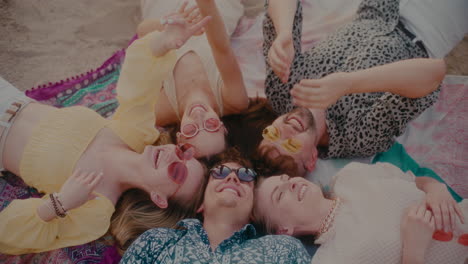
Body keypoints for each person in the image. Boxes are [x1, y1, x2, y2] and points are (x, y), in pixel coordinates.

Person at [0, 13, 211, 255]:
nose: (173, 155)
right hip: (10, 97)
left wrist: (60, 203)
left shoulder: (96, 209)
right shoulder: (135, 134)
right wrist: (165, 42)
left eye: (178, 171)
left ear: (159, 198)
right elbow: (140, 81)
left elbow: (7, 235)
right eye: (183, 152)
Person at [257, 0, 447, 176]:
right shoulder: (357, 137)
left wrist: (283, 33)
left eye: (272, 133)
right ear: (312, 158)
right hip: (426, 30)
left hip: (375, 9)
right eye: (291, 145)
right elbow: (434, 73)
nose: (286, 130)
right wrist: (347, 83)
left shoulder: (281, 92)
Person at [121, 148, 311, 263]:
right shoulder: (157, 241)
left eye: (246, 176)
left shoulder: (282, 249)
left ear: (253, 210)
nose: (232, 177)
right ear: (201, 204)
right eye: (219, 172)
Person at [252, 162, 468, 264]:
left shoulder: (352, 175)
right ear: (284, 230)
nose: (291, 184)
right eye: (279, 196)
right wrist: (414, 251)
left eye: (286, 179)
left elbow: (417, 181)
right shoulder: (332, 260)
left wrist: (436, 189)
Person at [136, 0, 250, 158]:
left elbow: (142, 31)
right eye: (211, 125)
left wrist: (168, 26)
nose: (199, 117)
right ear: (223, 128)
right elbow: (221, 47)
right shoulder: (233, 99)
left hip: (162, 10)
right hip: (217, 8)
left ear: (179, 137)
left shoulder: (160, 109)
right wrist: (205, 4)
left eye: (191, 130)